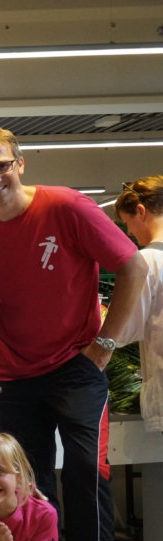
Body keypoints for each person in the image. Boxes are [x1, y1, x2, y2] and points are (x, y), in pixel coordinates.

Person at [0, 127, 148, 541]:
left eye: (2, 165)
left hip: (76, 368)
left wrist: (104, 345)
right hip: (16, 377)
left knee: (86, 472)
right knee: (29, 486)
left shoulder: (66, 206)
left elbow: (132, 267)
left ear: (20, 164)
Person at [113, 176, 163, 433]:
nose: (130, 232)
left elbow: (124, 330)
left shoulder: (147, 261)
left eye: (127, 222)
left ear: (141, 211)